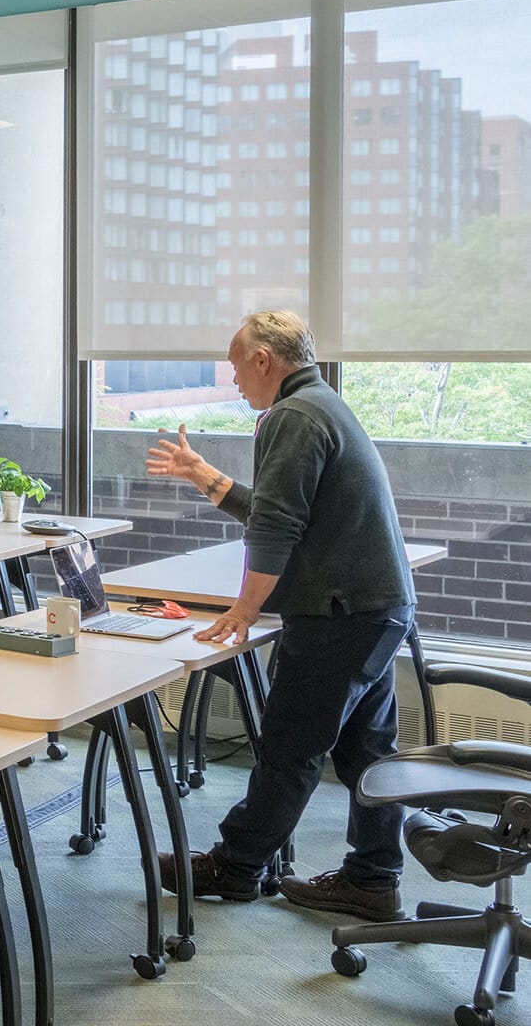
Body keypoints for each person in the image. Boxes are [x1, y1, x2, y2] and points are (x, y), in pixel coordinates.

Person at [146, 309, 415, 922]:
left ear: (264, 359)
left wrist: (245, 610)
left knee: (289, 747)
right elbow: (278, 508)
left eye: (237, 367)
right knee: (368, 753)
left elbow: (275, 527)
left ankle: (237, 867)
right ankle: (373, 879)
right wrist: (204, 475)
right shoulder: (321, 404)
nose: (234, 380)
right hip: (376, 607)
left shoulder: (290, 416)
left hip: (338, 613)